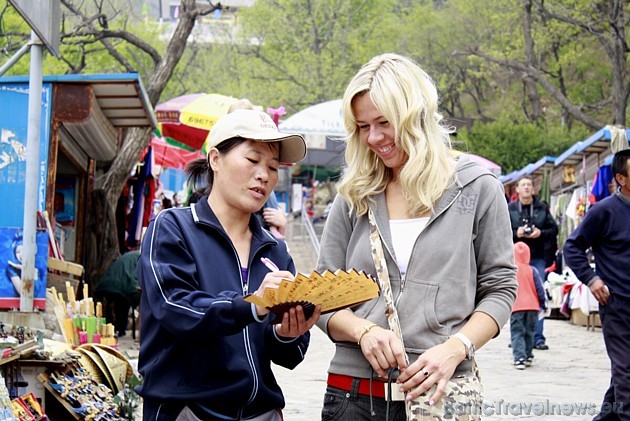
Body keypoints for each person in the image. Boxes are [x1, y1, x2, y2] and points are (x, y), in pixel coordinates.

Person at [316, 53, 517, 420]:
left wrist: (457, 347)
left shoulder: (477, 188)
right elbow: (322, 296)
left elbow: (501, 289)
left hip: (440, 394)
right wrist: (362, 331)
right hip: (353, 395)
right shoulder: (355, 194)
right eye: (363, 126)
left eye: (384, 122)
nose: (374, 138)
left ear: (416, 116)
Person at [136, 109, 321, 421]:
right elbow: (174, 307)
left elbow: (290, 355)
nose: (264, 174)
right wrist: (250, 306)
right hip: (189, 412)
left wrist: (288, 333)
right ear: (215, 160)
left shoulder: (275, 250)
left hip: (261, 413)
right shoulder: (173, 228)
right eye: (253, 160)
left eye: (273, 167)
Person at [563, 149, 630, 421]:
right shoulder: (603, 211)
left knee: (624, 374)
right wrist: (591, 279)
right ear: (621, 178)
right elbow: (572, 246)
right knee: (626, 370)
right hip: (616, 303)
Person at [508, 175, 557, 350]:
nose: (527, 188)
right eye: (523, 185)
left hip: (536, 256)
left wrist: (540, 233)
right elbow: (501, 229)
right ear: (518, 189)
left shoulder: (542, 207)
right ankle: (518, 336)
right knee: (514, 295)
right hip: (514, 260)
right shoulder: (511, 208)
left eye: (529, 185)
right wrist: (516, 232)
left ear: (533, 189)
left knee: (538, 294)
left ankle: (537, 338)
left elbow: (553, 229)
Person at [510, 242, 546, 370]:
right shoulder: (533, 270)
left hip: (517, 306)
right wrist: (543, 304)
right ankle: (528, 355)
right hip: (532, 306)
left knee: (517, 332)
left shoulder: (511, 271)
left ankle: (519, 358)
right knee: (529, 332)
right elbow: (540, 290)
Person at [93, 250, 141, 337]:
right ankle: (119, 329)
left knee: (115, 302)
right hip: (119, 285)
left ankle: (110, 328)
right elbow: (133, 279)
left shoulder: (132, 256)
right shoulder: (140, 258)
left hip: (107, 283)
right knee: (124, 301)